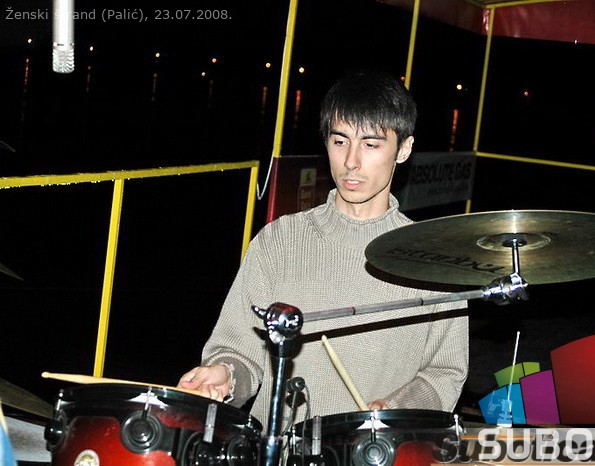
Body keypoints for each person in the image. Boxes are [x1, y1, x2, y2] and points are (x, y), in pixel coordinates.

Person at [178, 70, 469, 429]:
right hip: (276, 446)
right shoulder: (280, 240)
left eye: (371, 145)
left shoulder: (433, 260)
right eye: (340, 141)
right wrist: (226, 375)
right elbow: (240, 349)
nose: (351, 161)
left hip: (374, 447)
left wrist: (396, 410)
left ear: (404, 149)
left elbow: (445, 371)